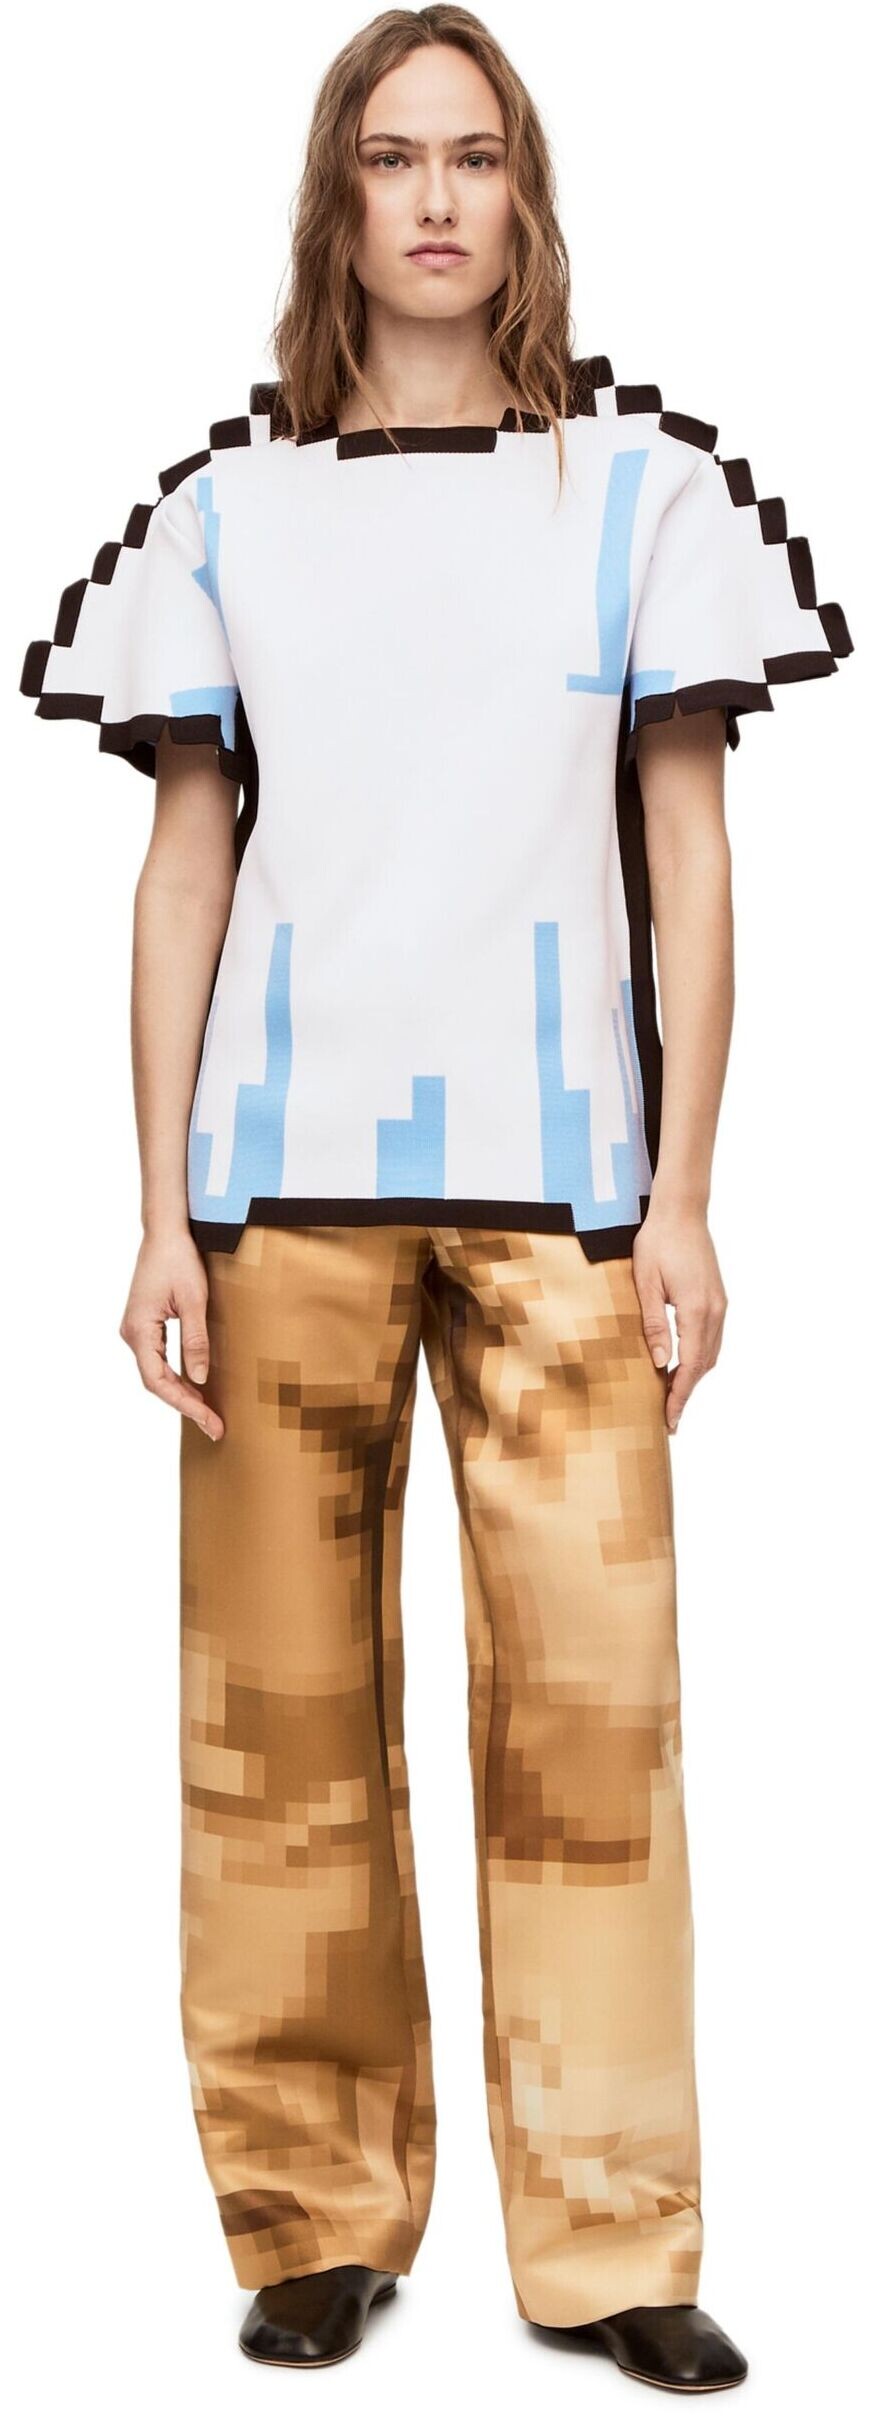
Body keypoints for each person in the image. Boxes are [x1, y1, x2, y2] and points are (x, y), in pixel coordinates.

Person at [19, 2, 852, 2393]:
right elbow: (184, 870)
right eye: (391, 157)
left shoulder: (637, 498)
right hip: (274, 1193)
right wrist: (153, 1213)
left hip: (567, 1197)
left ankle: (613, 2247)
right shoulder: (228, 512)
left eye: (473, 156)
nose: (434, 199)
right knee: (275, 1730)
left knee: (592, 1727)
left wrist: (688, 1194)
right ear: (338, 201)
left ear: (523, 196)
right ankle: (309, 2217)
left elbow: (691, 864)